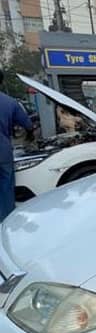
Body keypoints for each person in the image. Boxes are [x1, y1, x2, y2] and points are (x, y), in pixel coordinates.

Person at [0, 70, 34, 222]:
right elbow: (27, 124)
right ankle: (6, 223)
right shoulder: (9, 102)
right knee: (6, 188)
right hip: (3, 152)